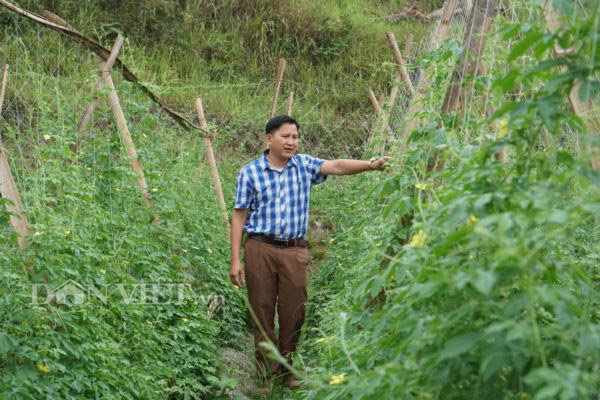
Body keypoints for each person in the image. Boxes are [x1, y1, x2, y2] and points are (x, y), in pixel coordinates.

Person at [229, 115, 390, 391]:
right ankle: (266, 377)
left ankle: (287, 371)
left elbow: (337, 166)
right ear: (269, 139)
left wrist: (370, 166)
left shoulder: (304, 166)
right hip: (259, 249)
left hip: (294, 251)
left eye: (295, 136)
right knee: (262, 311)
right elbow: (239, 217)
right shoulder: (250, 172)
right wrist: (235, 260)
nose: (291, 142)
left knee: (294, 312)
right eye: (285, 136)